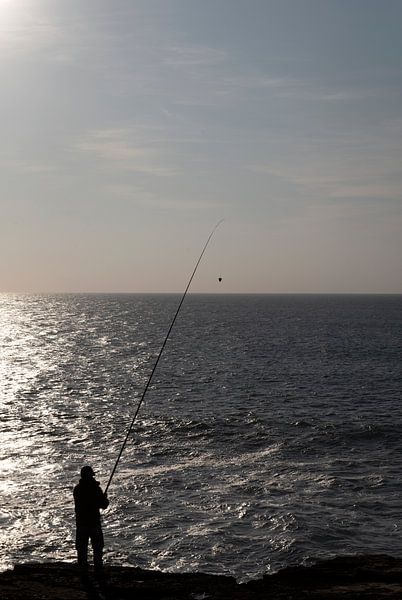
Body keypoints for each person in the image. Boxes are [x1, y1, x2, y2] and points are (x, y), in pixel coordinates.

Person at [73, 465, 109, 576]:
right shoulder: (95, 489)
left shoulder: (77, 489)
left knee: (82, 549)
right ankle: (98, 570)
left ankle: (83, 571)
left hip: (81, 524)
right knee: (97, 548)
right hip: (94, 524)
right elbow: (103, 505)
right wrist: (104, 498)